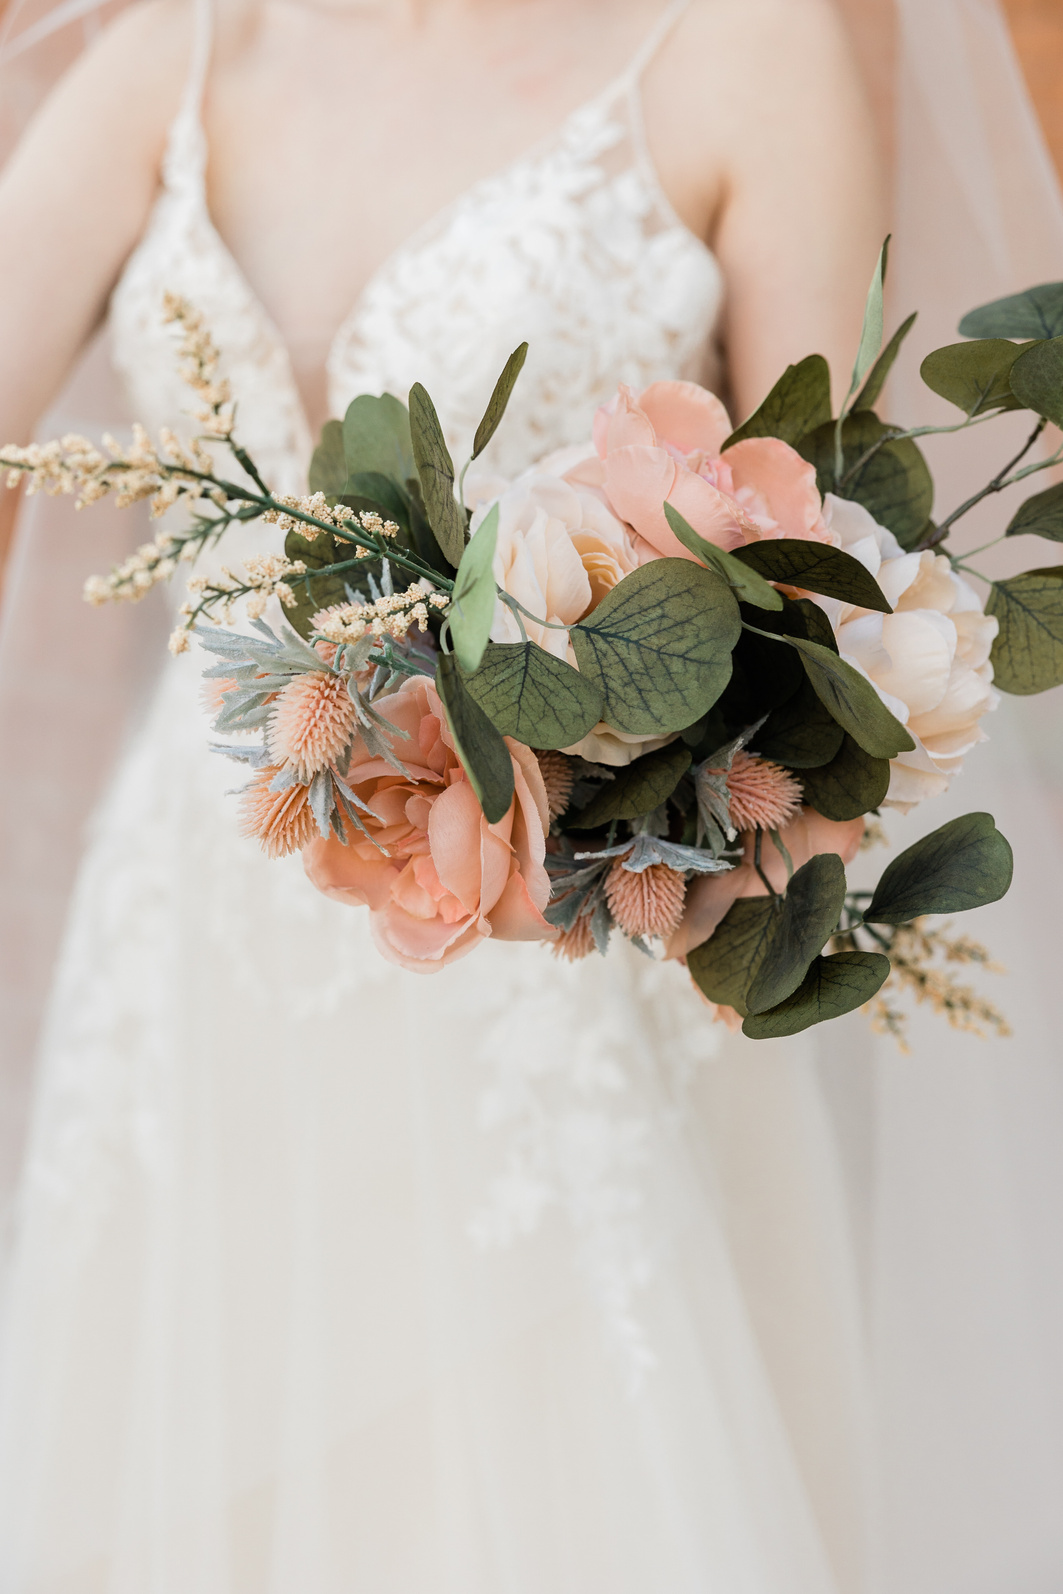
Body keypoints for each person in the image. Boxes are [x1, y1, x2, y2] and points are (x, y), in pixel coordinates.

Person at [0, 0, 1062, 1589]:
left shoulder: (741, 55)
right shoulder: (183, 55)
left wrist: (674, 856)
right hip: (194, 997)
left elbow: (835, 629)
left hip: (564, 1015)